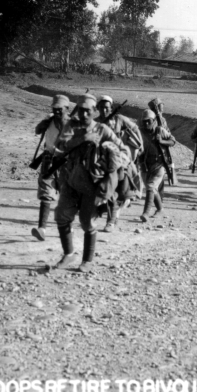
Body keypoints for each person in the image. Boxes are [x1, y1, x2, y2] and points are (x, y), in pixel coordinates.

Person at [52, 96, 122, 272]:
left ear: (94, 112)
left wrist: (108, 152)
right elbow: (60, 145)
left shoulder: (103, 129)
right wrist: (82, 139)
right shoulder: (71, 127)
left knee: (87, 222)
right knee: (61, 215)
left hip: (92, 184)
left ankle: (87, 260)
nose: (83, 114)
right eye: (81, 110)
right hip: (71, 180)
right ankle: (68, 254)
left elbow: (121, 149)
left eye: (87, 111)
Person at [96, 95, 143, 232]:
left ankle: (106, 215)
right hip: (102, 161)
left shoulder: (119, 119)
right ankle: (110, 220)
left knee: (122, 193)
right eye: (102, 108)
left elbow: (134, 128)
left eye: (107, 108)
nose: (105, 110)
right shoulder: (96, 122)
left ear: (111, 108)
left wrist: (140, 147)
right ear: (98, 108)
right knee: (109, 190)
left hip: (120, 159)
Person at [31, 95, 74, 241]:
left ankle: (68, 226)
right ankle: (41, 228)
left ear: (67, 109)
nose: (56, 112)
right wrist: (44, 122)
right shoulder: (49, 121)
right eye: (54, 109)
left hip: (66, 163)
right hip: (49, 160)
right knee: (45, 193)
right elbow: (37, 131)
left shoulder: (74, 124)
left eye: (59, 109)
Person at [137, 109, 176, 222]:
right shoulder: (139, 132)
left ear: (154, 121)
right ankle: (160, 209)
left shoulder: (160, 131)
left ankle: (145, 213)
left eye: (149, 121)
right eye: (144, 121)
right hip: (144, 165)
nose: (146, 124)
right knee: (152, 189)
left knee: (150, 187)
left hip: (159, 165)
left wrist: (162, 142)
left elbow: (173, 141)